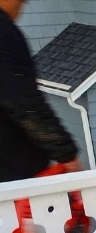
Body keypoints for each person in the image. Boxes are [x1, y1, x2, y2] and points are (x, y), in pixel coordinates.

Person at [0, 0, 83, 183]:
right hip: (14, 179)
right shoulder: (2, 32)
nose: (22, 7)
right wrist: (66, 154)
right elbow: (22, 101)